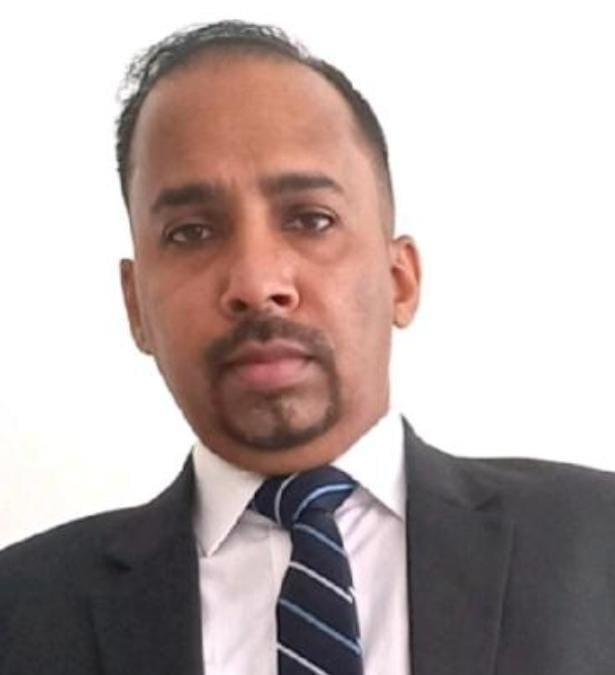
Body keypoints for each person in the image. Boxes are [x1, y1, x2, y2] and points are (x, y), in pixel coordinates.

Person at [1, 20, 614, 675]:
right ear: (135, 306)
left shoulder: (596, 543)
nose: (256, 283)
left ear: (399, 280)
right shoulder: (20, 612)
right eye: (190, 232)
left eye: (310, 219)